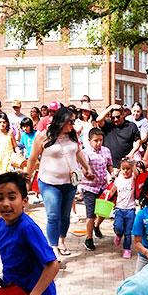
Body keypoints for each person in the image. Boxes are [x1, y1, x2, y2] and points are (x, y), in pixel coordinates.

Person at [26, 107, 95, 256]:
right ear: (61, 120)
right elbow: (32, 159)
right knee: (53, 215)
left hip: (70, 183)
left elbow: (78, 152)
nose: (73, 124)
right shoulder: (43, 136)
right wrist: (26, 179)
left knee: (65, 215)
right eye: (70, 121)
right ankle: (53, 247)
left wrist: (87, 168)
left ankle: (62, 240)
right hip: (49, 182)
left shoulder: (73, 136)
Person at [81, 128, 113, 251]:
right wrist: (88, 173)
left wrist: (112, 172)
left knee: (105, 210)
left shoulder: (106, 151)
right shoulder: (85, 153)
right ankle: (88, 239)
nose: (98, 143)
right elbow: (84, 168)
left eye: (100, 140)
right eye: (95, 140)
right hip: (89, 187)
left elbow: (109, 164)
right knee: (91, 214)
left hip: (103, 185)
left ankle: (96, 226)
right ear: (89, 141)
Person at [106, 158, 137, 259]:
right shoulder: (119, 179)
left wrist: (133, 163)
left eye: (128, 168)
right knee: (118, 227)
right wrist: (107, 196)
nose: (126, 171)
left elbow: (137, 173)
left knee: (128, 232)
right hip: (119, 209)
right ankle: (118, 235)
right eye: (123, 168)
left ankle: (127, 249)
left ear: (131, 169)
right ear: (120, 169)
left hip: (130, 209)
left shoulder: (133, 178)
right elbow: (113, 190)